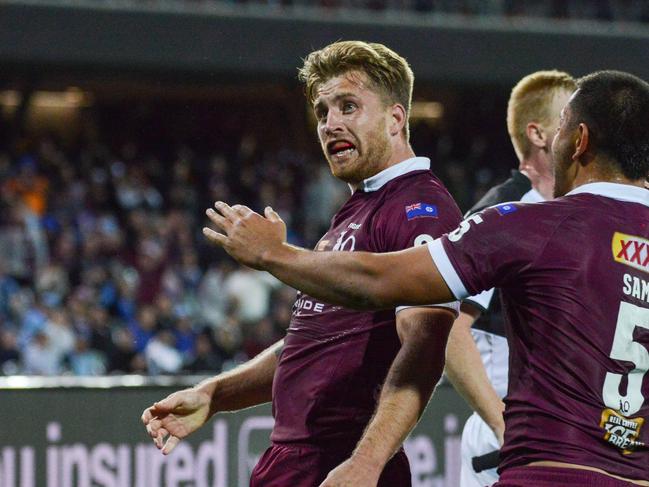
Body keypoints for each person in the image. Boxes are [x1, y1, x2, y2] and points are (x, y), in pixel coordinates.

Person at [203, 70, 649, 486]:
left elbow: (384, 281)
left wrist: (273, 254)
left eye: (563, 129)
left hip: (550, 471)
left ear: (580, 140)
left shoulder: (530, 224)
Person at [142, 40, 463, 487]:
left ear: (395, 119)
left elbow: (425, 347)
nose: (331, 124)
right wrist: (215, 394)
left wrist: (368, 462)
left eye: (348, 106)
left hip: (340, 460)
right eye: (322, 112)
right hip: (293, 459)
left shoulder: (420, 208)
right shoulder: (354, 212)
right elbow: (311, 342)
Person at [444, 70, 576, 487]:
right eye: (572, 121)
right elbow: (447, 328)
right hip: (514, 432)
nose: (584, 133)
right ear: (538, 134)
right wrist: (505, 426)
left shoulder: (569, 211)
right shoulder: (504, 214)